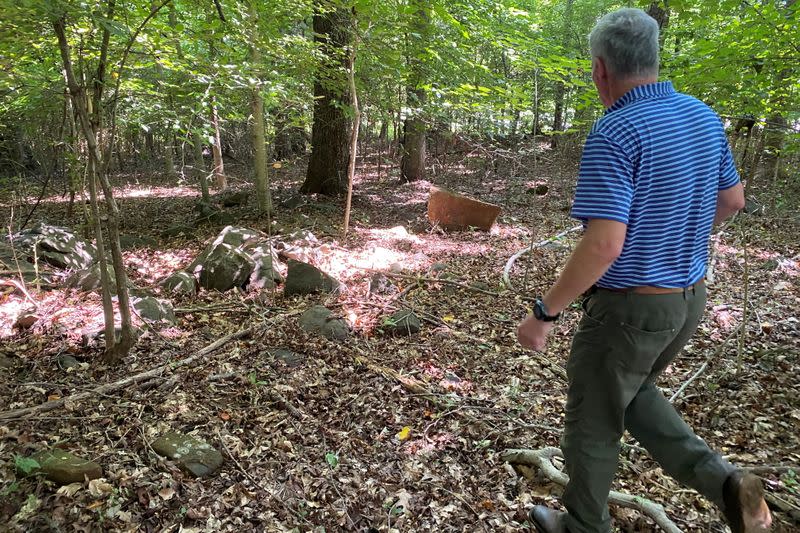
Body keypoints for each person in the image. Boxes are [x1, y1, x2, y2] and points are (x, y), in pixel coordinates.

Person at [516, 8, 773, 533]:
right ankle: (726, 484)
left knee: (594, 417)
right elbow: (733, 199)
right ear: (654, 61)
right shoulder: (702, 115)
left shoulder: (617, 131)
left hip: (629, 311)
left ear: (600, 69)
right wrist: (682, 232)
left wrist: (545, 312)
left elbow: (604, 245)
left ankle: (584, 525)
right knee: (633, 398)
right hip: (686, 299)